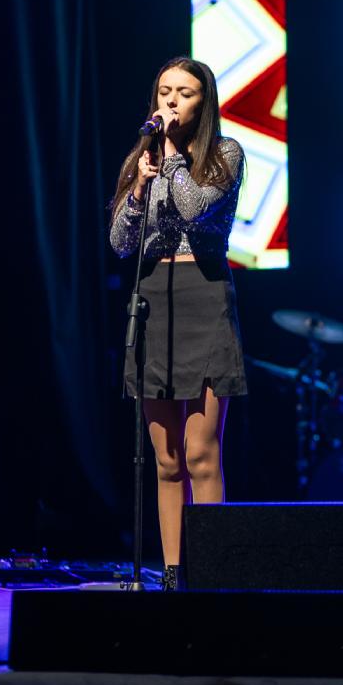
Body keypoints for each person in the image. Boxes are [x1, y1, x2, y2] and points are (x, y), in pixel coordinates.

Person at [108, 56, 246, 591]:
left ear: (203, 102)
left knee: (200, 453)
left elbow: (193, 209)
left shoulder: (224, 154)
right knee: (165, 459)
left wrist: (168, 161)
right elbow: (120, 243)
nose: (170, 101)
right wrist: (138, 191)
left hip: (204, 295)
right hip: (154, 298)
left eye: (184, 93)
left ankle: (212, 573)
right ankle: (171, 573)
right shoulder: (141, 159)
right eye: (164, 90)